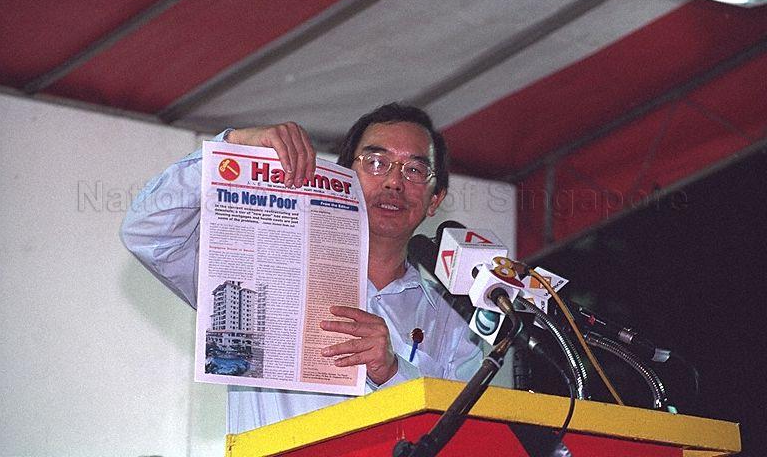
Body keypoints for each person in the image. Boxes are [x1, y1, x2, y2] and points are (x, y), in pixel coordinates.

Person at [121, 103, 509, 434]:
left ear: (434, 199)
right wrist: (232, 145)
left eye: (413, 171)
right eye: (376, 162)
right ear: (345, 177)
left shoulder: (457, 320)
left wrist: (392, 372)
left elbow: (464, 434)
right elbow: (148, 231)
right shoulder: (263, 269)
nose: (393, 181)